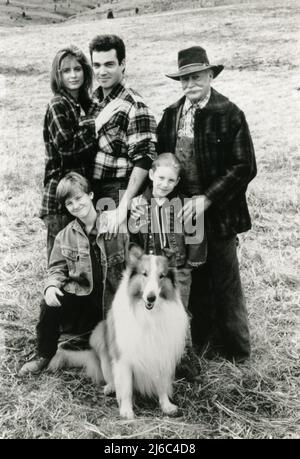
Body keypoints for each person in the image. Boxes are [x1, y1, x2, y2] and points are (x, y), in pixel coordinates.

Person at [157, 46, 257, 362]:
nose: (190, 84)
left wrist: (208, 198)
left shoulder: (229, 113)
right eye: (184, 79)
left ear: (210, 75)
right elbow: (162, 162)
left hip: (220, 213)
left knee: (226, 282)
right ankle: (202, 345)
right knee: (194, 281)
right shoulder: (171, 115)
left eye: (196, 77)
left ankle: (239, 355)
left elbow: (244, 166)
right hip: (183, 216)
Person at [19, 172, 127, 375]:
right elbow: (56, 269)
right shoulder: (65, 235)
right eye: (70, 203)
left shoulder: (115, 224)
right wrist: (51, 286)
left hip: (114, 299)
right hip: (85, 298)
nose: (76, 205)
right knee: (49, 300)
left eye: (79, 198)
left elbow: (133, 265)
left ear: (91, 195)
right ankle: (45, 354)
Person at [89, 34, 157, 236]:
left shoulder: (134, 104)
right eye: (97, 65)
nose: (102, 72)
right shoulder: (93, 100)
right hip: (93, 189)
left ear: (123, 64)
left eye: (109, 64)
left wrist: (122, 208)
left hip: (118, 191)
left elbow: (144, 160)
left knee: (117, 256)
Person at [41, 45, 99, 262]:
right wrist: (96, 125)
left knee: (80, 261)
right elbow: (68, 149)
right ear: (58, 75)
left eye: (78, 69)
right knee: (60, 262)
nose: (73, 75)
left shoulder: (86, 104)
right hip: (60, 198)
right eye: (66, 70)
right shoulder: (58, 104)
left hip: (79, 194)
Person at [129, 153, 206, 310]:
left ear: (177, 181)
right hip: (151, 269)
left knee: (177, 307)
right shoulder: (139, 203)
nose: (165, 184)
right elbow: (134, 235)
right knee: (151, 306)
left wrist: (190, 264)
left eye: (171, 180)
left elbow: (196, 235)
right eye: (161, 178)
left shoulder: (185, 203)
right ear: (151, 175)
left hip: (178, 268)